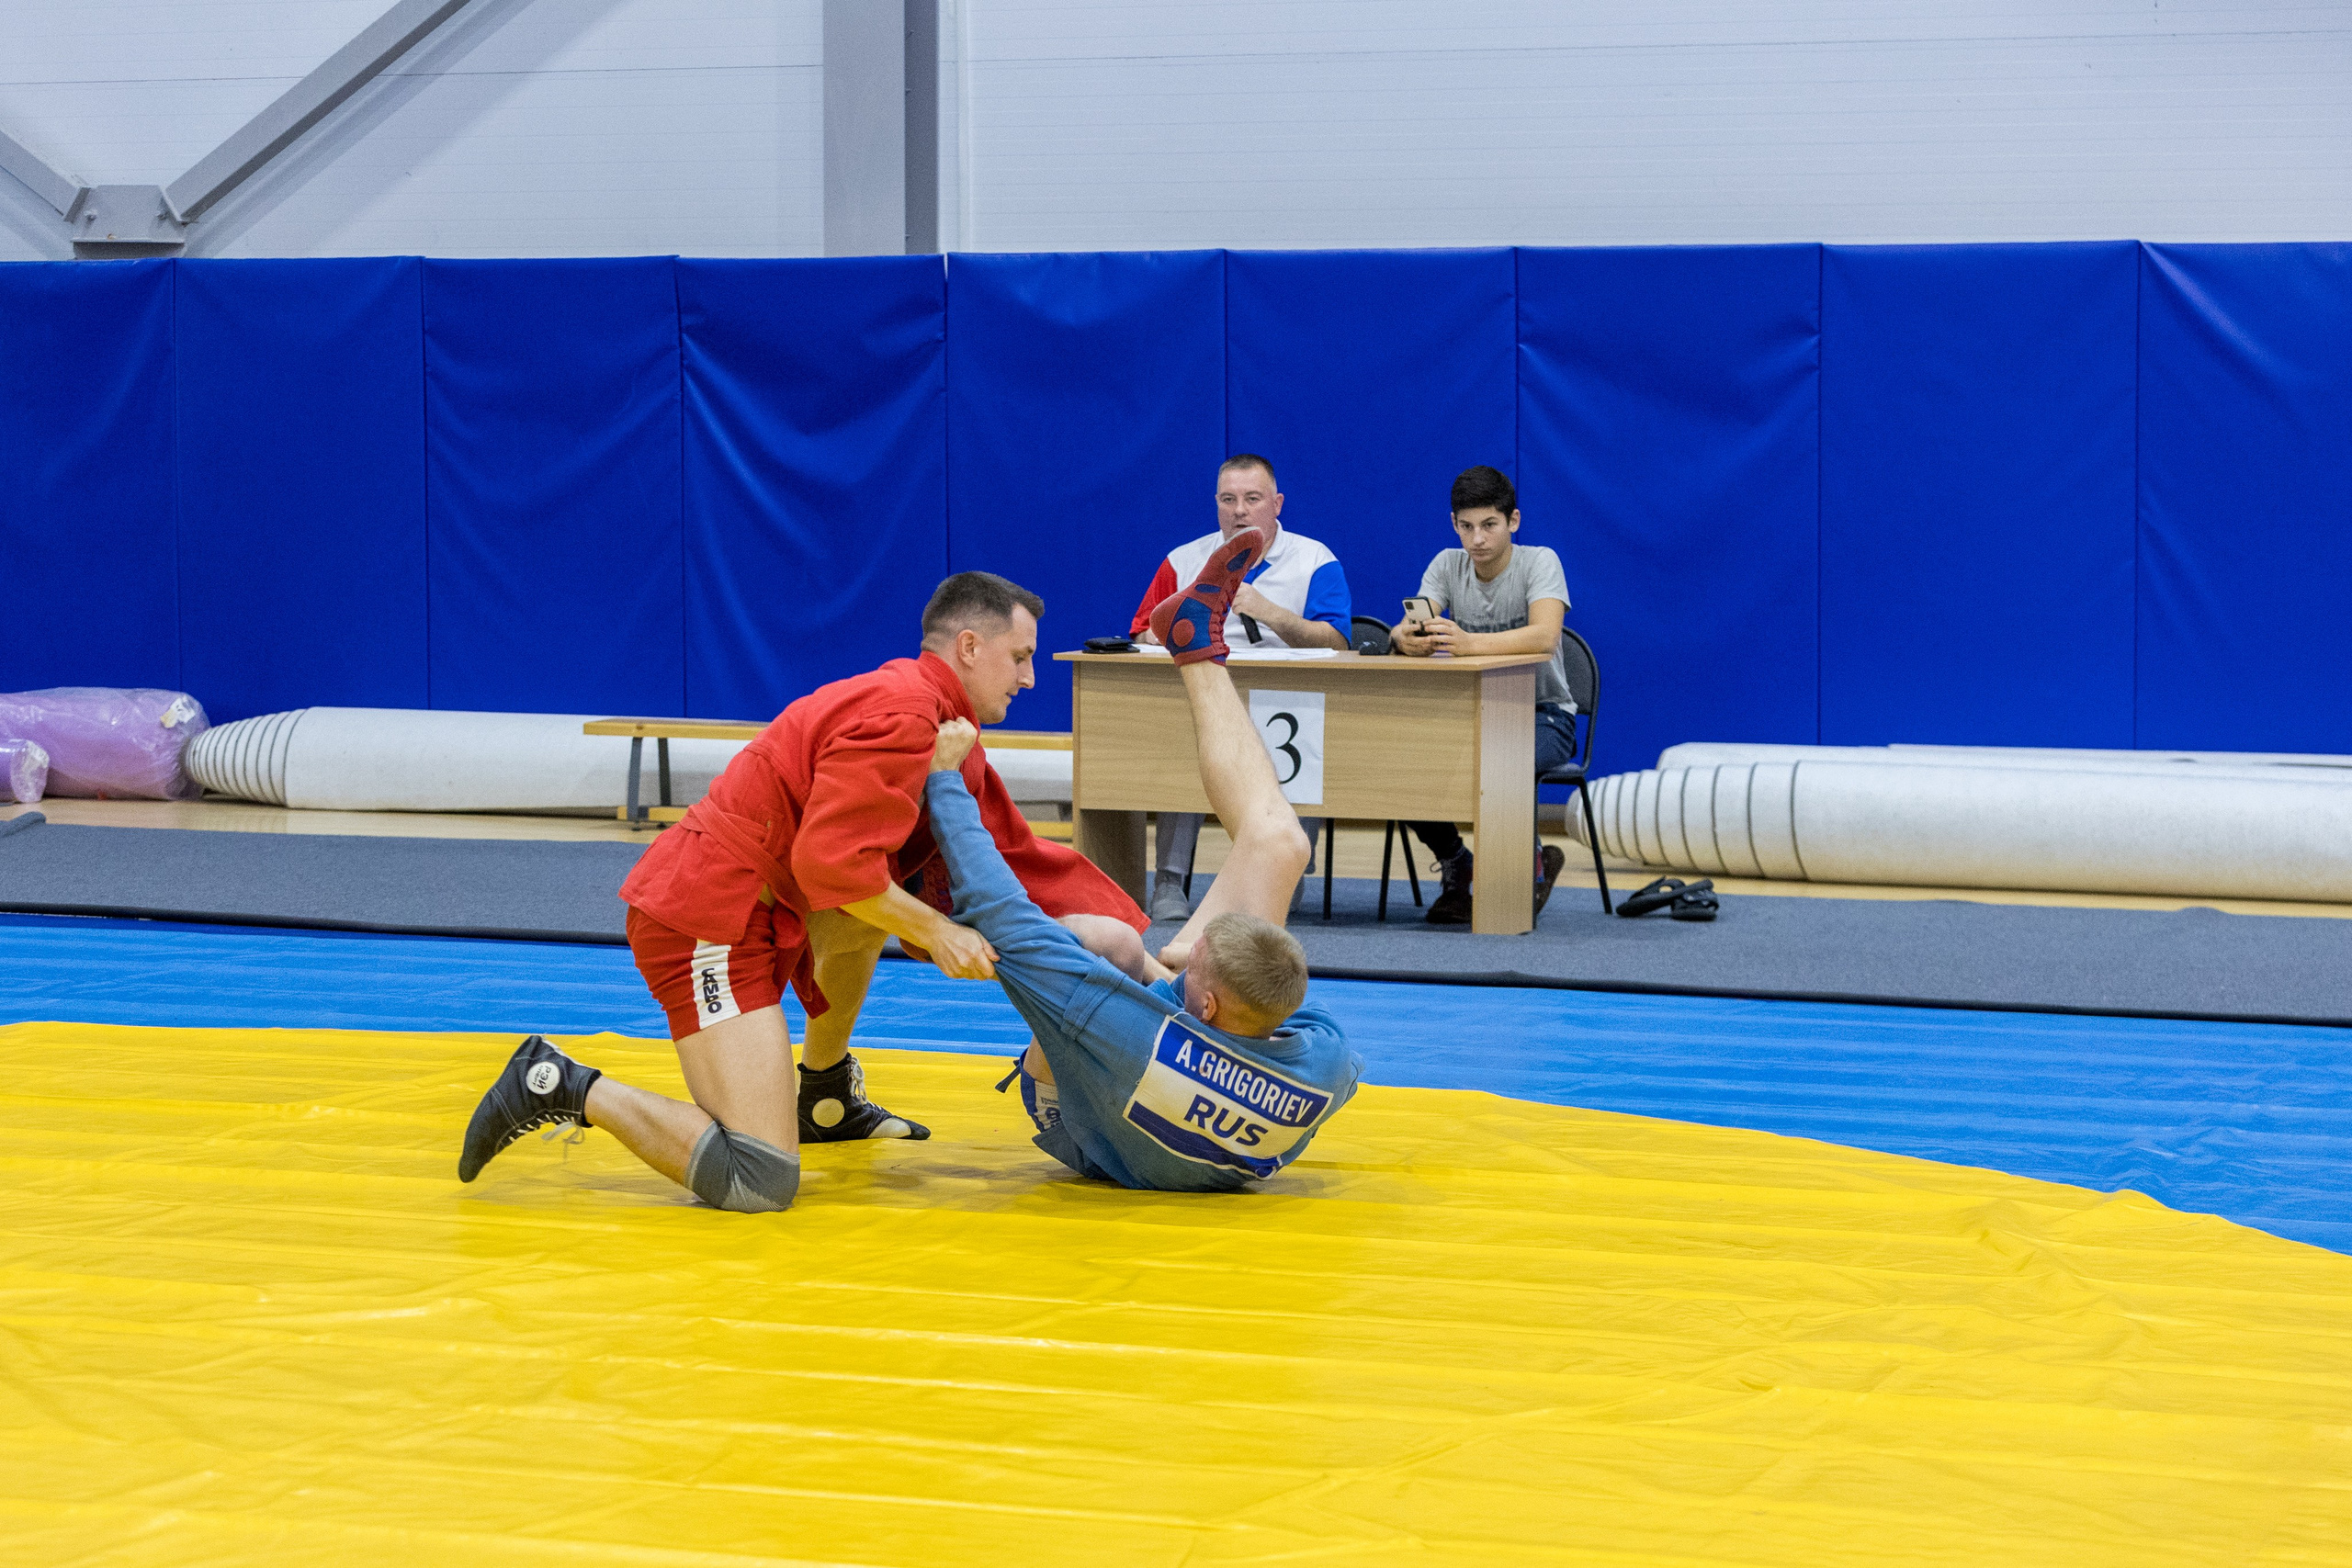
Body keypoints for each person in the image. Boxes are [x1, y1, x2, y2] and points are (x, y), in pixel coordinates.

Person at [454, 571, 1148, 1213]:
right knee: (758, 1176)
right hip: (707, 916)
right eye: (1020, 656)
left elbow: (1008, 859)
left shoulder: (940, 724)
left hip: (763, 903)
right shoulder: (905, 715)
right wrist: (939, 931)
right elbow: (832, 868)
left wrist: (1148, 959)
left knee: (867, 916)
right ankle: (559, 1082)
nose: (1029, 678)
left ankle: (824, 1089)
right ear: (969, 646)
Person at [933, 526, 1363, 1191]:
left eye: (1190, 965)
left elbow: (1004, 914)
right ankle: (1197, 648)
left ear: (1205, 1007)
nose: (1182, 952)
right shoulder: (1322, 1066)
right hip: (1194, 1064)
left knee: (1099, 943)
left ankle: (1197, 650)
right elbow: (1290, 1016)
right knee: (1283, 846)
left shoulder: (1127, 1028)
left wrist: (943, 780)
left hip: (1085, 1106)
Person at [1128, 454, 1351, 922]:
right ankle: (1169, 881)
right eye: (1228, 500)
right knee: (1184, 740)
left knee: (1303, 742)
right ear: (1216, 505)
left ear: (1277, 504)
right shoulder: (1183, 559)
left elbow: (1337, 641)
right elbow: (1141, 631)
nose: (1240, 511)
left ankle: (1286, 877)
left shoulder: (1315, 559)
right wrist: (1156, 634)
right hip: (1208, 687)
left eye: (1252, 499)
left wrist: (1269, 611)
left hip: (1291, 698)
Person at [1391, 465, 1576, 925]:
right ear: (1455, 525)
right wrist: (1404, 638)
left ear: (1513, 520)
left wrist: (1471, 643)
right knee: (1403, 764)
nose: (1478, 539)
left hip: (1544, 714)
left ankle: (1524, 867)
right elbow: (1417, 622)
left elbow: (1545, 636)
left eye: (1489, 525)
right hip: (1468, 714)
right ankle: (1458, 862)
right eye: (1467, 526)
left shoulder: (1540, 562)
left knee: (1503, 758)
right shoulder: (1446, 565)